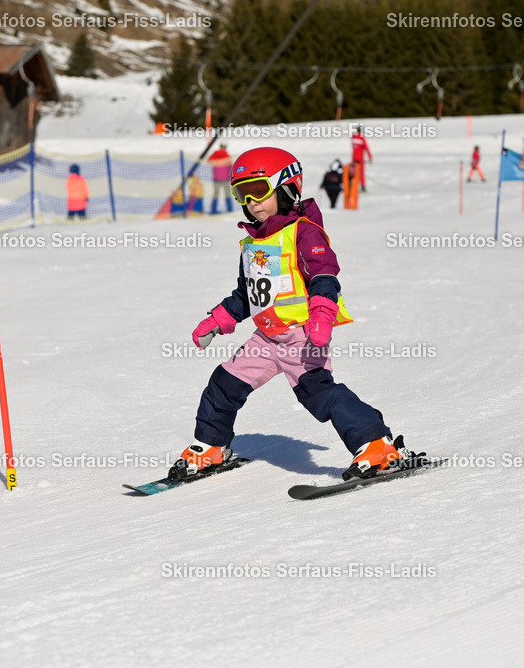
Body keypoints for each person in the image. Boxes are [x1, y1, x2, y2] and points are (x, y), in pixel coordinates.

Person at [174, 147, 411, 483]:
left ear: (286, 186)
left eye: (259, 190)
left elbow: (324, 275)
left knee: (320, 393)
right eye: (243, 194)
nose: (252, 202)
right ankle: (212, 447)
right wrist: (217, 319)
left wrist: (322, 316)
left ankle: (377, 445)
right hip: (266, 338)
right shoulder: (253, 243)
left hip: (302, 336)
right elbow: (248, 294)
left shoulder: (304, 231)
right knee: (223, 385)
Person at [207, 142, 234, 214]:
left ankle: (213, 209)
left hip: (216, 178)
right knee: (227, 194)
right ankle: (230, 209)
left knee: (215, 194)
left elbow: (209, 161)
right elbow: (230, 168)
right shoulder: (227, 155)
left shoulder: (214, 154)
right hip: (225, 178)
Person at [350, 127, 373, 192]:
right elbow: (366, 148)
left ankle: (353, 187)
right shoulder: (361, 138)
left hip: (354, 158)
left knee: (353, 173)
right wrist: (370, 157)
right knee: (361, 173)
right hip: (360, 159)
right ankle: (363, 187)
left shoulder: (353, 137)